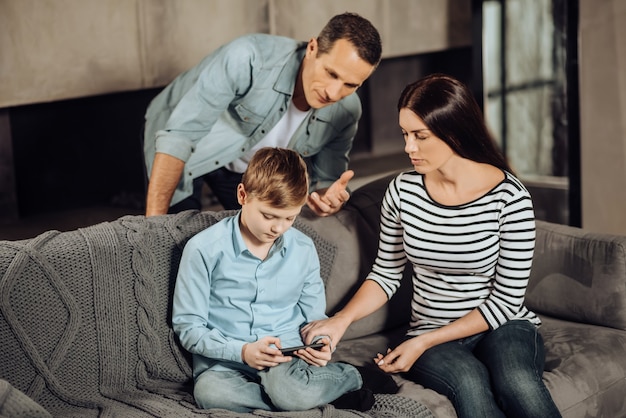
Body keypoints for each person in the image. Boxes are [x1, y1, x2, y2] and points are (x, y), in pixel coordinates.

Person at [301, 74, 562, 418]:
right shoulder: (402, 192)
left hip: (504, 324)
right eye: (405, 134)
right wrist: (341, 320)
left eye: (420, 136)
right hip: (431, 327)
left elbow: (506, 300)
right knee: (469, 383)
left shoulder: (510, 198)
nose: (409, 147)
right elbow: (386, 273)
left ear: (453, 131)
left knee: (517, 381)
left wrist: (419, 343)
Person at [171, 147, 398, 413]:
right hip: (226, 360)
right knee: (210, 394)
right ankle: (320, 398)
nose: (278, 228)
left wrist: (321, 344)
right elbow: (188, 327)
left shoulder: (303, 248)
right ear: (242, 195)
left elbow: (314, 317)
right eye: (268, 216)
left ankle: (350, 377)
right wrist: (242, 351)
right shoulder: (202, 249)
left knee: (285, 389)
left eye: (289, 217)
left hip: (286, 358)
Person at [143, 12, 382, 217]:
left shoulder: (347, 111)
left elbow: (326, 181)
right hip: (184, 145)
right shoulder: (248, 58)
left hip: (247, 168)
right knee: (176, 237)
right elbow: (180, 135)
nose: (333, 93)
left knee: (255, 241)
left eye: (350, 85)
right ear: (312, 48)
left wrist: (326, 199)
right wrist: (153, 227)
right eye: (331, 73)